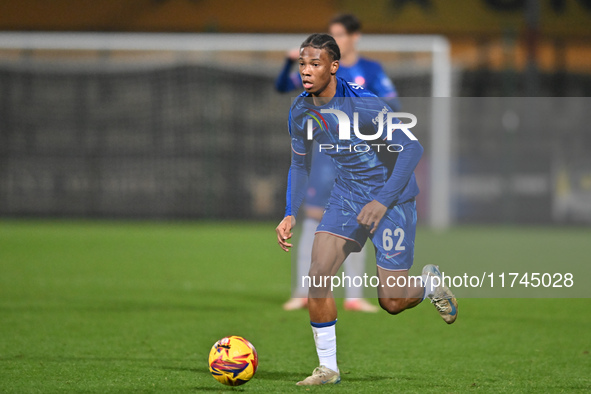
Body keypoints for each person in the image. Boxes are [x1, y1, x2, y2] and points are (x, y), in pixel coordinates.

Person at [275, 33, 458, 386]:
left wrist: (383, 200)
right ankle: (328, 369)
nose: (306, 71)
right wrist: (289, 211)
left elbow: (412, 150)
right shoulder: (301, 110)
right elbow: (299, 165)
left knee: (391, 301)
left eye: (315, 64)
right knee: (317, 274)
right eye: (302, 63)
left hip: (393, 198)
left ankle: (427, 284)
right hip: (347, 195)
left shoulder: (364, 104)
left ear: (333, 66)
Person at [278, 14, 399, 313]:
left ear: (354, 37)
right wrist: (287, 62)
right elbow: (283, 85)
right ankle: (302, 292)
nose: (336, 40)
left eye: (340, 35)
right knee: (314, 218)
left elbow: (392, 106)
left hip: (358, 156)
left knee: (359, 221)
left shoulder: (368, 71)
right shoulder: (317, 68)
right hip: (324, 157)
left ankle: (354, 295)